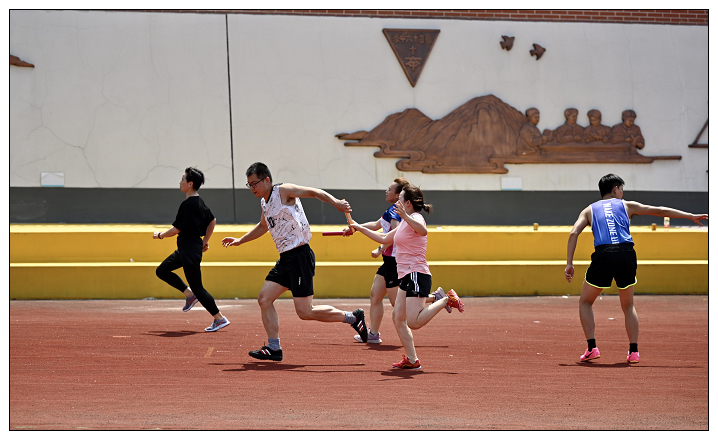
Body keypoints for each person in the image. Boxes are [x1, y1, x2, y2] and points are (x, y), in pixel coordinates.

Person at [221, 162, 368, 362]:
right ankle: (274, 348)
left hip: (300, 256)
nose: (252, 188)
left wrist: (336, 203)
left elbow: (314, 192)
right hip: (285, 259)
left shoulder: (284, 191)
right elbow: (263, 226)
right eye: (249, 185)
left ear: (267, 180)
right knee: (264, 299)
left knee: (305, 312)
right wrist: (240, 240)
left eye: (255, 183)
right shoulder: (264, 203)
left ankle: (353, 317)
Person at [565, 174, 707, 364]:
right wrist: (690, 216)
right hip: (626, 253)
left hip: (604, 254)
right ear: (615, 189)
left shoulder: (589, 210)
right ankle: (633, 352)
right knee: (628, 305)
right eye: (622, 189)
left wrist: (569, 263)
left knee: (585, 302)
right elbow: (658, 210)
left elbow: (573, 233)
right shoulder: (627, 205)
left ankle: (592, 348)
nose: (622, 193)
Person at [350, 184, 464, 369]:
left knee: (413, 321)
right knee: (398, 317)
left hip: (416, 273)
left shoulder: (415, 217)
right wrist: (358, 228)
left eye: (400, 199)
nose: (397, 202)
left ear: (408, 203)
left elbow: (423, 231)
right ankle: (412, 360)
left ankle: (445, 300)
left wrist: (405, 216)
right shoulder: (404, 223)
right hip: (405, 275)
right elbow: (383, 239)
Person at [154, 167, 229, 332]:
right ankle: (189, 295)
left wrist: (160, 235)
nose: (180, 182)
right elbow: (212, 220)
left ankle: (219, 318)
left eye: (183, 179)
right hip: (187, 249)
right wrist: (205, 241)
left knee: (198, 287)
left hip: (189, 250)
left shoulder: (188, 204)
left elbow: (176, 229)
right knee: (162, 270)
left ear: (190, 184)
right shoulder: (199, 202)